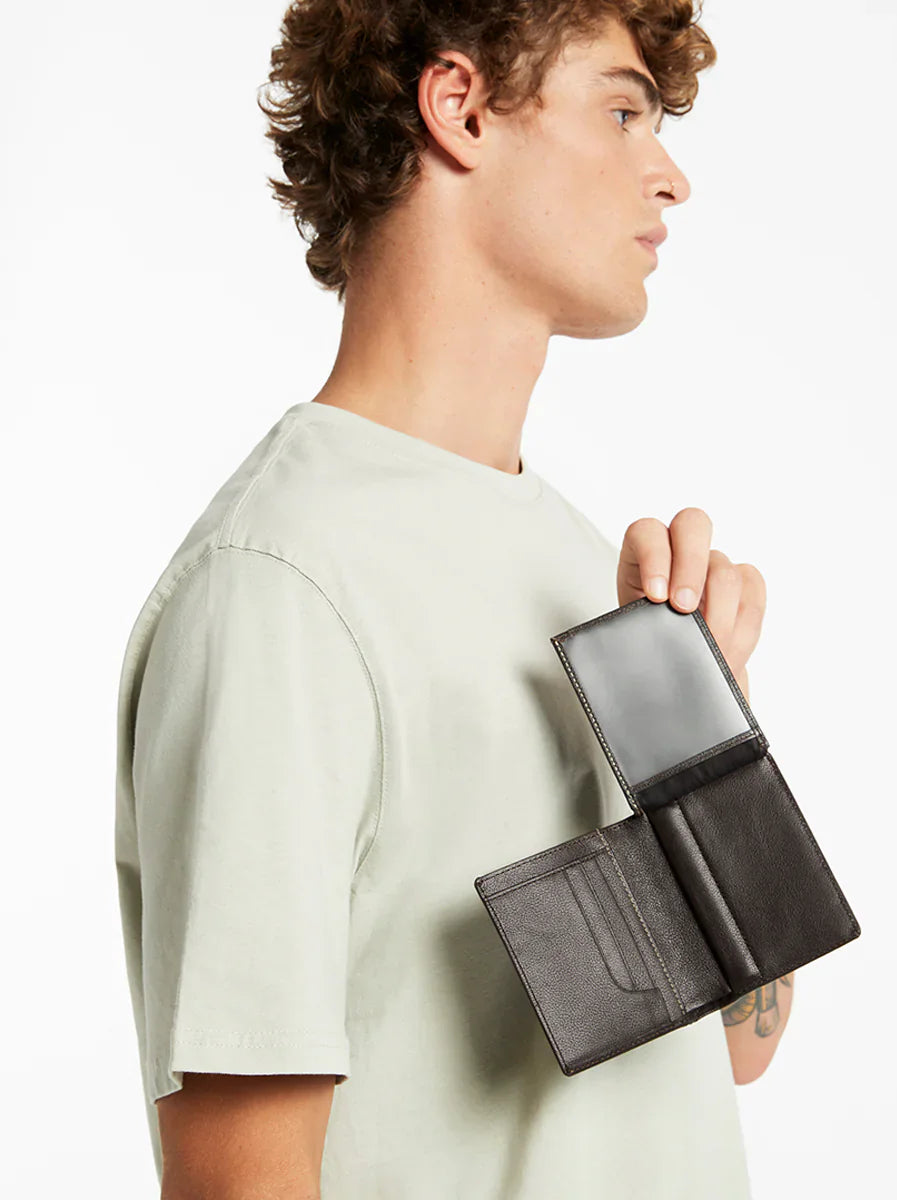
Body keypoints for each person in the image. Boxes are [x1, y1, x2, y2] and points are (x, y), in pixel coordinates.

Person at [113, 1, 784, 1195]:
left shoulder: (581, 558)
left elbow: (734, 1050)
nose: (669, 176)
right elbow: (241, 1181)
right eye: (620, 112)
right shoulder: (282, 591)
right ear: (461, 107)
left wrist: (700, 740)